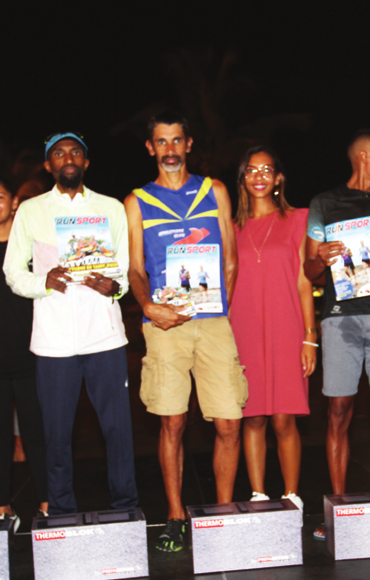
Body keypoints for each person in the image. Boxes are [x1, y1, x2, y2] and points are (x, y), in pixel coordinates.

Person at [126, 112, 245, 553]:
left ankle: (222, 512)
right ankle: (175, 515)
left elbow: (230, 261)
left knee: (230, 421)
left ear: (189, 144)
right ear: (151, 148)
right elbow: (135, 269)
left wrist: (218, 307)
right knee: (172, 422)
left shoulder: (214, 191)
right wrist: (148, 305)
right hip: (164, 324)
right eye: (162, 142)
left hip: (213, 321)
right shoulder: (137, 202)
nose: (170, 149)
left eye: (177, 141)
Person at [4, 132, 138, 518]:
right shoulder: (30, 210)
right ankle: (61, 511)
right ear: (48, 165)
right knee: (56, 436)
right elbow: (12, 271)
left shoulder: (111, 207)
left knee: (118, 431)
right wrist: (41, 283)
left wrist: (114, 286)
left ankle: (126, 507)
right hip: (54, 341)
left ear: (86, 161)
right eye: (59, 153)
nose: (68, 158)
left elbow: (123, 271)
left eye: (75, 151)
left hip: (105, 336)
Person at [303, 129, 370, 541]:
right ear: (365, 157)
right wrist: (321, 258)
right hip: (340, 318)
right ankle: (337, 509)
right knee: (338, 414)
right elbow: (309, 271)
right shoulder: (324, 204)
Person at [229, 145, 316, 511]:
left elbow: (303, 282)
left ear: (279, 178)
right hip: (243, 328)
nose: (259, 176)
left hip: (286, 327)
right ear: (242, 179)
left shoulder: (299, 219)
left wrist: (310, 337)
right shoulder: (230, 228)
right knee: (253, 418)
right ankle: (258, 494)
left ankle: (292, 494)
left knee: (283, 419)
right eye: (252, 170)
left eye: (267, 170)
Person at [0, 177, 49, 527]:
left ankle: (48, 504)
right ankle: (2, 509)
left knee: (37, 434)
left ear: (14, 201)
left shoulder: (33, 245)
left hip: (32, 356)